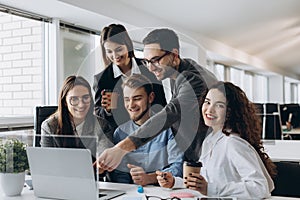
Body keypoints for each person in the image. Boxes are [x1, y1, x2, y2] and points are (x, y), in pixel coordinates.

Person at [97, 28, 217, 171]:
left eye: (155, 60)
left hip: (212, 152)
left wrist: (121, 148)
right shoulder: (177, 71)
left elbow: (169, 114)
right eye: (147, 61)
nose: (151, 68)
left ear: (174, 54)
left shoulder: (192, 79)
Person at [156, 81, 276, 199]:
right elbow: (207, 180)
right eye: (207, 102)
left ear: (230, 111)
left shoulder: (233, 143)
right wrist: (174, 182)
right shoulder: (211, 139)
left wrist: (210, 189)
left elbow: (260, 187)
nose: (210, 110)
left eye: (219, 105)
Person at [93, 24, 166, 141]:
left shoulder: (149, 68)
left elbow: (161, 104)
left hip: (151, 133)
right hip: (119, 137)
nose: (115, 56)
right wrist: (107, 110)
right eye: (109, 52)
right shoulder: (102, 79)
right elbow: (98, 115)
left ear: (128, 45)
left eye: (119, 49)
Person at [110, 74, 183, 185]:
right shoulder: (120, 133)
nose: (131, 105)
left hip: (164, 191)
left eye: (137, 98)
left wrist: (150, 178)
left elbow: (178, 167)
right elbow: (121, 176)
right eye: (127, 100)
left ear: (150, 97)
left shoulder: (169, 128)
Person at [41, 75, 113, 159]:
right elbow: (47, 162)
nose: (81, 104)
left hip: (91, 171)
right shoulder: (49, 126)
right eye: (74, 99)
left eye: (85, 98)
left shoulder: (102, 126)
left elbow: (104, 160)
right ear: (65, 101)